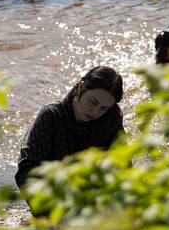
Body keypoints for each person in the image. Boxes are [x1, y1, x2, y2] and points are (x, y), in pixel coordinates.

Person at [15, 66, 125, 194]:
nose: (95, 111)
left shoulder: (111, 118)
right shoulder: (51, 116)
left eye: (103, 108)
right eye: (93, 102)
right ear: (81, 87)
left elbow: (123, 167)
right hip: (52, 192)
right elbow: (26, 172)